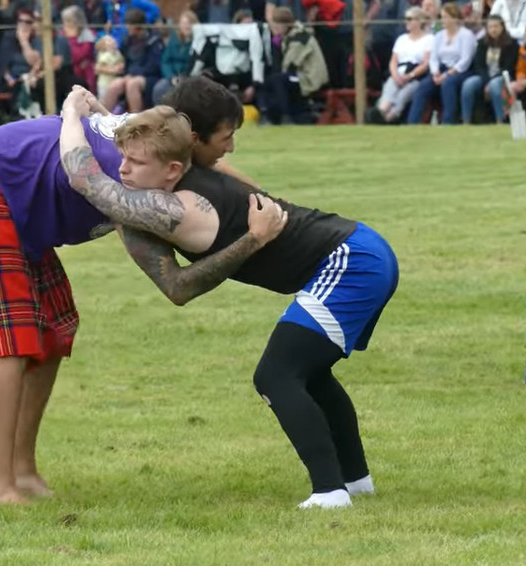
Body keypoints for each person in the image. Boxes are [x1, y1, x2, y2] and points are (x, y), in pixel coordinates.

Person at [0, 97, 288, 505]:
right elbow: (172, 276)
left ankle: (23, 471)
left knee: (55, 327)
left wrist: (280, 209)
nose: (229, 148)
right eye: (226, 137)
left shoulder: (164, 150)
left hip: (14, 196)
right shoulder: (132, 169)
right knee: (16, 336)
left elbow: (221, 174)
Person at [59, 83, 399, 509]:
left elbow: (84, 178)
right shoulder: (184, 173)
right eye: (124, 157)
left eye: (134, 161)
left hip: (352, 262)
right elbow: (146, 151)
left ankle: (330, 493)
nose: (124, 168)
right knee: (310, 374)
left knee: (276, 376)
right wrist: (107, 114)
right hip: (362, 250)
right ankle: (355, 482)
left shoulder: (182, 207)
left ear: (172, 167)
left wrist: (72, 113)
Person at [406, 2, 476, 125]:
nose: (442, 20)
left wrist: (447, 74)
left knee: (448, 84)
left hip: (460, 71)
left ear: (454, 18)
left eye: (445, 17)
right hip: (441, 69)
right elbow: (433, 58)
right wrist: (435, 72)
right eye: (442, 17)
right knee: (423, 86)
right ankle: (412, 122)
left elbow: (465, 60)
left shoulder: (466, 35)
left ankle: (448, 122)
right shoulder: (439, 36)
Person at [370, 7, 433, 124]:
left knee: (402, 97)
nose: (407, 22)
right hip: (399, 72)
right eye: (406, 19)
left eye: (410, 19)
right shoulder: (402, 39)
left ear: (419, 21)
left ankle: (385, 121)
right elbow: (393, 60)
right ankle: (379, 114)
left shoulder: (429, 39)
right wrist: (395, 75)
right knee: (389, 92)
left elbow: (425, 64)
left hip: (416, 76)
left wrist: (410, 76)